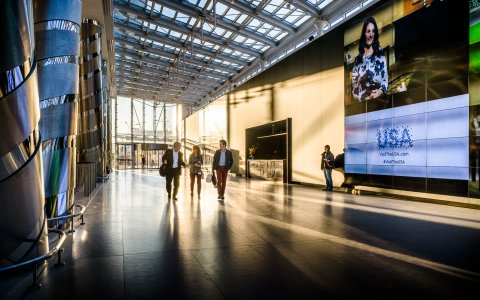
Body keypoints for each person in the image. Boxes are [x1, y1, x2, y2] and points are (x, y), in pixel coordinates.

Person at [352, 16, 388, 102]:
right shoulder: (358, 61)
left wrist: (380, 91)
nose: (371, 34)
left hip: (378, 103)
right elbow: (354, 89)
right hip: (362, 106)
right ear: (364, 34)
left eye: (373, 31)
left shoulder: (380, 54)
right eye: (368, 31)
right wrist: (363, 99)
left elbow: (385, 81)